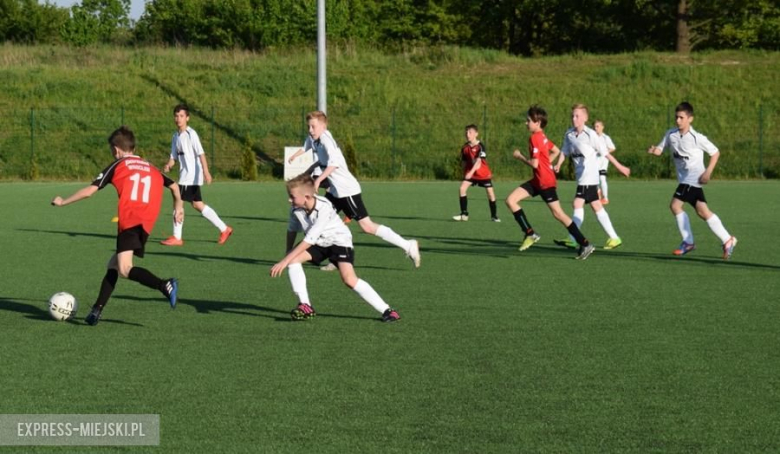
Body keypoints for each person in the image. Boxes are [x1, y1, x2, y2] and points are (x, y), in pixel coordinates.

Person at [51, 126, 184, 326]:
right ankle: (96, 310)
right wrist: (179, 206)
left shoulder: (119, 165)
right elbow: (174, 185)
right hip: (146, 222)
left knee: (124, 268)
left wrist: (63, 201)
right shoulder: (150, 167)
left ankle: (164, 285)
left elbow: (89, 191)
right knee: (113, 265)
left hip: (130, 219)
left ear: (116, 149)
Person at [270, 173, 400, 322]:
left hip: (339, 242)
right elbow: (292, 230)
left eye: (292, 196)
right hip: (319, 242)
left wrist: (284, 261)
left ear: (306, 197)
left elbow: (309, 240)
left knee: (349, 280)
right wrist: (288, 252)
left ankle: (388, 310)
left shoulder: (323, 207)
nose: (289, 199)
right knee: (293, 260)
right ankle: (305, 305)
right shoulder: (295, 209)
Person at [305, 110, 421, 268]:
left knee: (367, 226)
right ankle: (337, 258)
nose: (310, 130)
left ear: (324, 126)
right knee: (325, 220)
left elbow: (334, 163)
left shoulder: (326, 140)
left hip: (346, 190)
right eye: (309, 127)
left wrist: (318, 180)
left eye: (313, 126)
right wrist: (307, 172)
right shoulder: (318, 141)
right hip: (335, 191)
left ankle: (408, 245)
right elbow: (323, 162)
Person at [647, 101, 737, 259]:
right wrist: (655, 150)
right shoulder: (671, 134)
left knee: (675, 206)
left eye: (681, 117)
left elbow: (715, 153)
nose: (678, 120)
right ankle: (727, 240)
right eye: (676, 117)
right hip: (684, 179)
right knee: (703, 212)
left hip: (695, 177)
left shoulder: (697, 138)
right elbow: (661, 149)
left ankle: (688, 241)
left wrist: (708, 172)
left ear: (690, 119)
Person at [505, 105, 595, 260]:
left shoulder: (534, 138)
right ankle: (530, 233)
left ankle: (585, 244)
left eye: (528, 121)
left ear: (537, 122)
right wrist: (546, 164)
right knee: (510, 200)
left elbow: (534, 164)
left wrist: (520, 157)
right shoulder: (542, 136)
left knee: (558, 214)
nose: (526, 123)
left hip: (545, 181)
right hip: (538, 179)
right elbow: (556, 151)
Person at [554, 105, 631, 251]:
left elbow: (605, 153)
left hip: (589, 177)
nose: (574, 118)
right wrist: (558, 164)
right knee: (596, 206)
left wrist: (620, 167)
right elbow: (564, 151)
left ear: (585, 118)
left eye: (577, 116)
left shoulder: (591, 135)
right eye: (572, 116)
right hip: (581, 177)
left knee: (577, 204)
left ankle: (573, 238)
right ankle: (614, 238)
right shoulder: (569, 134)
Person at [160, 104, 233, 246]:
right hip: (184, 175)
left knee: (178, 201)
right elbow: (173, 157)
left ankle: (177, 237)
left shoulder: (191, 134)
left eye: (181, 116)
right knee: (197, 204)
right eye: (176, 116)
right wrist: (169, 164)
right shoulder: (175, 136)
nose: (178, 119)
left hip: (191, 176)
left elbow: (201, 153)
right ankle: (224, 229)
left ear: (187, 118)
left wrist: (206, 172)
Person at [452, 124, 500, 222]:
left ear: (476, 134)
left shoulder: (480, 146)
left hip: (482, 174)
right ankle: (464, 214)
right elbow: (464, 162)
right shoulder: (465, 147)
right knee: (462, 188)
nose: (467, 134)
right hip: (471, 174)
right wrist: (464, 173)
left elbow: (478, 162)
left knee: (490, 194)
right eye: (466, 132)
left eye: (470, 132)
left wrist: (470, 173)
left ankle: (494, 216)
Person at [593, 119, 617, 204]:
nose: (595, 128)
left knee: (602, 179)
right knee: (593, 179)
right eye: (594, 126)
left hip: (603, 162)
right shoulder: (592, 137)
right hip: (593, 162)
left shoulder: (605, 138)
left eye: (597, 126)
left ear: (602, 127)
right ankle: (598, 191)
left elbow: (612, 148)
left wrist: (603, 152)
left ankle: (605, 198)